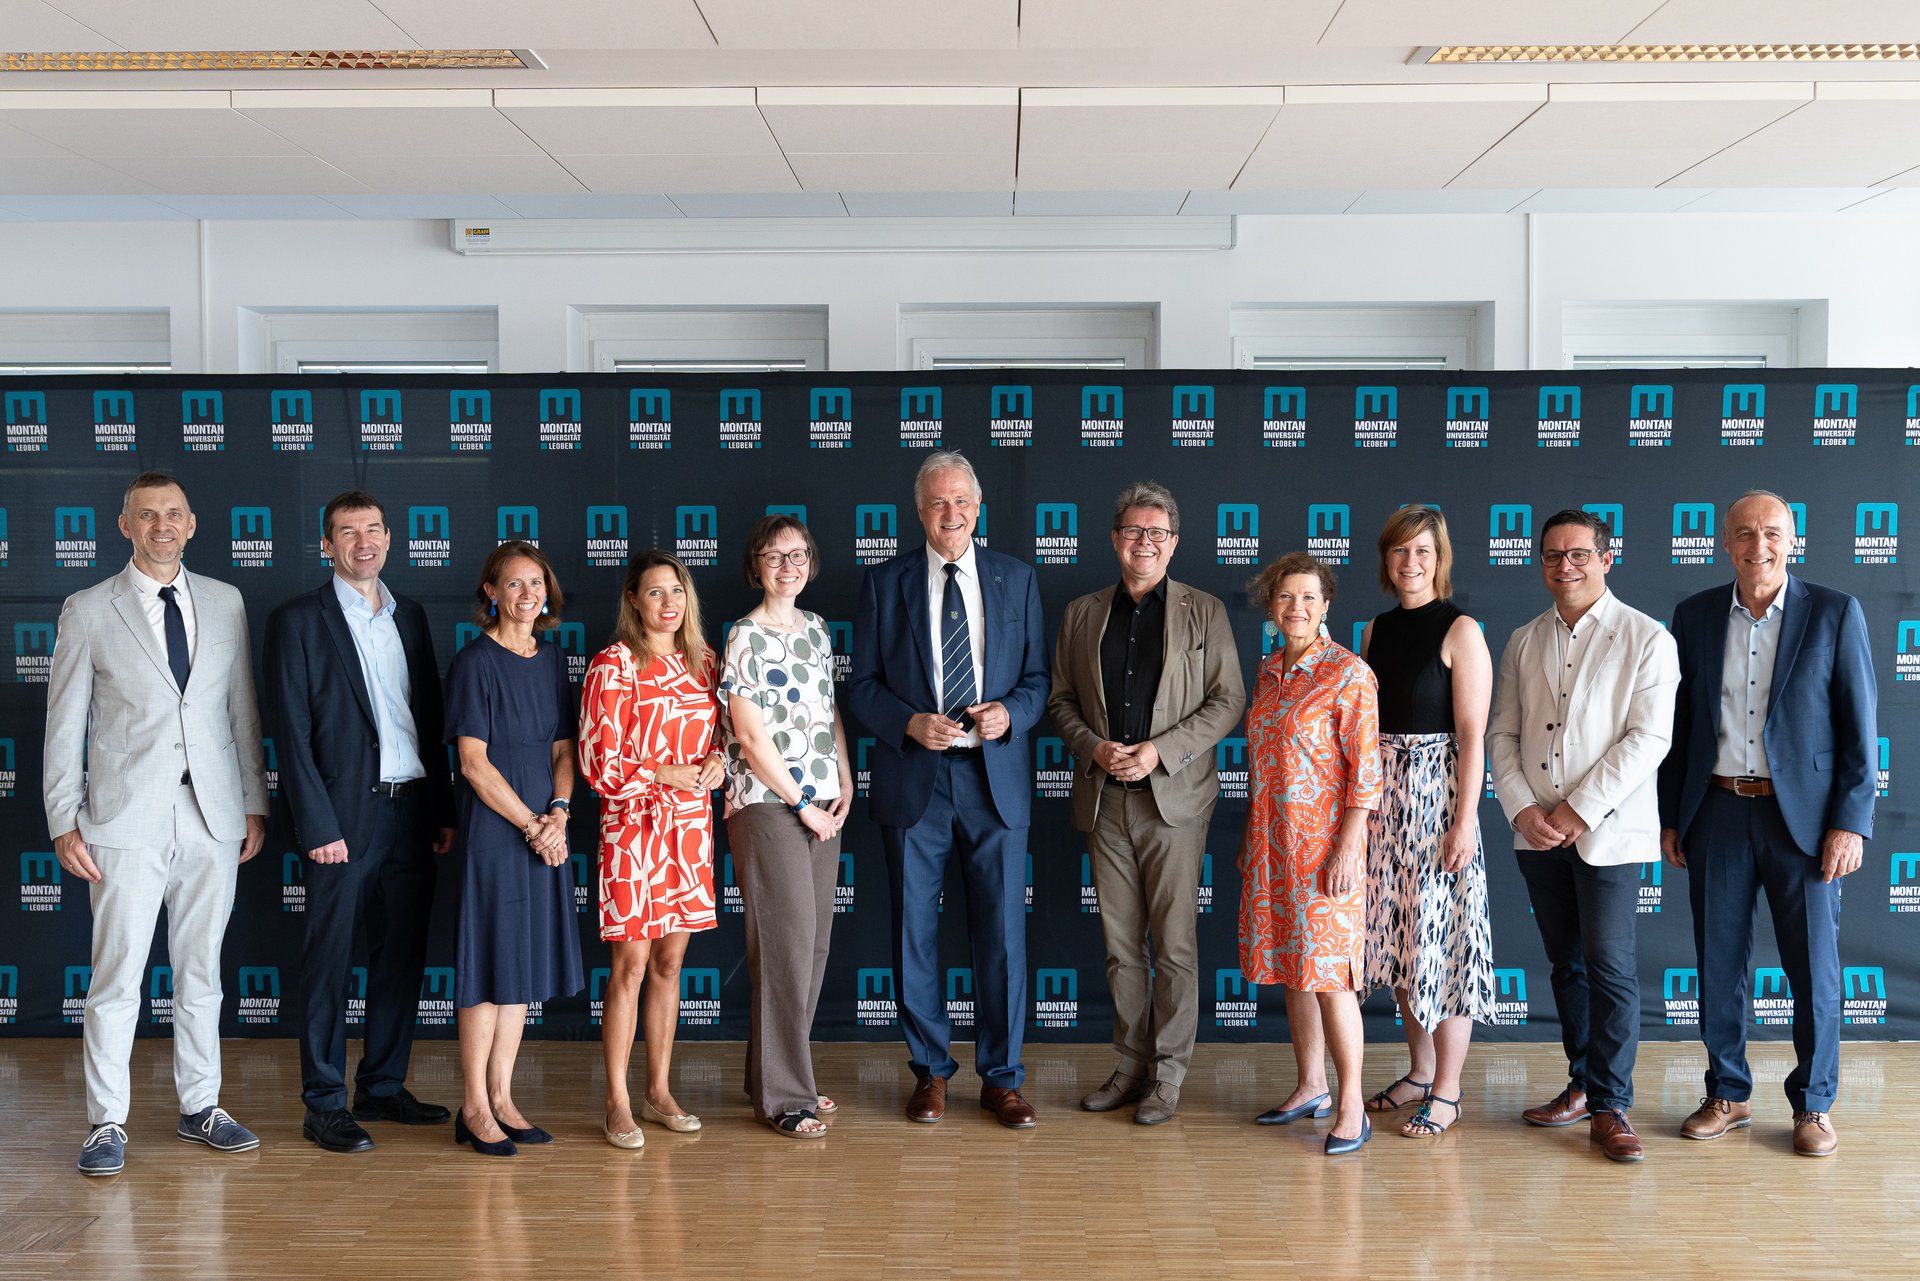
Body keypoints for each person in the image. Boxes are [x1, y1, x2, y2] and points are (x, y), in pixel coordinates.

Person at [44, 471, 268, 1176]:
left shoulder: (227, 602)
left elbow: (241, 711)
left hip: (211, 815)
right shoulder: (87, 608)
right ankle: (105, 1121)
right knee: (117, 976)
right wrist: (61, 819)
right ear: (125, 525)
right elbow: (64, 724)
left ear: (192, 523)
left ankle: (201, 1106)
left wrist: (253, 801)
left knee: (201, 970)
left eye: (173, 513)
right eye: (148, 515)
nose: (162, 525)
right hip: (121, 819)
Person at [1658, 490, 1877, 1158]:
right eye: (1746, 532)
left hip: (1804, 823)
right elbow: (1681, 727)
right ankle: (1727, 1091)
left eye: (1773, 532)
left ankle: (1813, 1104)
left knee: (1815, 969)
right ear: (1726, 541)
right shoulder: (1693, 615)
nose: (1760, 544)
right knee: (1718, 962)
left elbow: (1858, 729)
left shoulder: (1835, 612)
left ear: (1793, 539)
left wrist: (1851, 821)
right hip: (1718, 810)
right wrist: (1674, 818)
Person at [847, 449, 1050, 1129]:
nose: (951, 513)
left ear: (979, 504)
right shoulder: (883, 583)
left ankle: (1003, 1078)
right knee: (914, 935)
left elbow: (1038, 681)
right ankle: (930, 1072)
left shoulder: (1017, 578)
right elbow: (862, 686)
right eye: (938, 502)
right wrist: (906, 721)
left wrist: (1010, 715)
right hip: (916, 782)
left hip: (996, 782)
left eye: (962, 500)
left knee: (1002, 937)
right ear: (919, 510)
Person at [264, 490, 456, 1154]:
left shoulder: (412, 616)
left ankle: (381, 1083)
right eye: (347, 532)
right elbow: (289, 732)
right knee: (329, 962)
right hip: (341, 818)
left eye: (373, 528)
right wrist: (315, 823)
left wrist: (442, 810)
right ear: (327, 545)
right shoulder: (298, 621)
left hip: (410, 811)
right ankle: (323, 1101)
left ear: (390, 537)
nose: (363, 541)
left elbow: (427, 721)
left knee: (401, 956)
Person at [1047, 481, 1244, 1125]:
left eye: (1157, 533)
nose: (1144, 543)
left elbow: (1226, 701)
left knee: (1176, 947)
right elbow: (1060, 702)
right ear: (1114, 538)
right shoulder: (1081, 614)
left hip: (1175, 802)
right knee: (1121, 948)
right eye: (1133, 531)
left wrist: (1162, 750)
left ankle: (1169, 1074)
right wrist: (1092, 748)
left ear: (1174, 543)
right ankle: (1130, 1066)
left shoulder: (1204, 612)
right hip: (1105, 800)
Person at [1488, 509, 1678, 1163]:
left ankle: (1611, 1105)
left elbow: (1648, 739)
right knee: (1566, 964)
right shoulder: (1522, 639)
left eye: (1577, 554)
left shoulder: (1646, 638)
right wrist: (1520, 809)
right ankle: (1580, 1082)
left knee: (1611, 968)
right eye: (1551, 555)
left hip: (1608, 833)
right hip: (1536, 834)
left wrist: (1577, 811)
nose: (1564, 566)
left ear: (1606, 557)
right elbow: (1502, 734)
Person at [443, 540, 584, 1157]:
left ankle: (502, 1096)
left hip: (543, 826)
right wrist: (532, 824)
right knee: (487, 969)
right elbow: (473, 763)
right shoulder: (475, 662)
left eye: (537, 584)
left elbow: (562, 749)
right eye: (514, 584)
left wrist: (558, 813)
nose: (528, 595)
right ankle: (473, 1105)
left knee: (519, 968)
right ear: (490, 593)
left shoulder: (553, 660)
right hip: (498, 832)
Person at [578, 549, 723, 1149]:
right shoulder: (613, 665)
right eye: (655, 592)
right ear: (633, 600)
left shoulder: (703, 662)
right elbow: (597, 764)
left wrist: (716, 762)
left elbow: (723, 740)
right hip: (633, 832)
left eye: (677, 591)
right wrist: (665, 774)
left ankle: (658, 1090)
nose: (668, 603)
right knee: (631, 969)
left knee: (670, 966)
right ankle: (616, 1100)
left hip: (689, 829)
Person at [1358, 505, 1495, 1138]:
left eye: (1423, 552)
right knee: (1404, 946)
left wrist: (1464, 821)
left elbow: (1473, 734)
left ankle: (1448, 1088)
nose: (1410, 563)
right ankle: (1417, 1071)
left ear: (1440, 559)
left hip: (1438, 799)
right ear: (1386, 560)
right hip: (1384, 804)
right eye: (1399, 552)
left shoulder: (1461, 628)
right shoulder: (1375, 630)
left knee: (1444, 947)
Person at [1238, 552, 1381, 1156]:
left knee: (1330, 978)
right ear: (1271, 607)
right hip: (1271, 847)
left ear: (1327, 606)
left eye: (1308, 598)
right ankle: (1310, 1086)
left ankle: (1352, 1106)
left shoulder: (1347, 674)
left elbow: (1365, 773)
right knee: (1292, 971)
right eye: (1285, 597)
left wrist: (1349, 846)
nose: (1296, 608)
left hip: (1325, 848)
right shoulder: (1269, 672)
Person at [718, 516, 854, 1138]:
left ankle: (773, 1074)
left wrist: (844, 776)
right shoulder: (743, 636)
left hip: (824, 798)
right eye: (774, 556)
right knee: (786, 945)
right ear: (756, 566)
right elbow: (747, 735)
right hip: (769, 803)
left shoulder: (818, 630)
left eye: (797, 554)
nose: (788, 565)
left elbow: (826, 709)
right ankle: (787, 1097)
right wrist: (800, 800)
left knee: (813, 946)